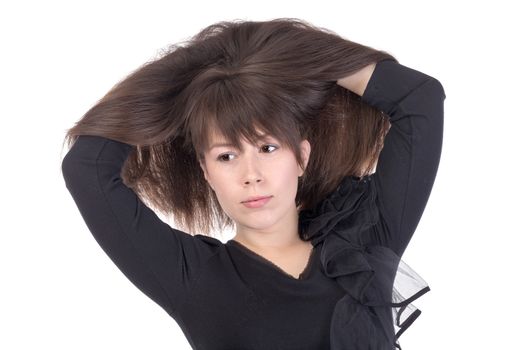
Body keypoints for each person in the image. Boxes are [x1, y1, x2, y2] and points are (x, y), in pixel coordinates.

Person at [61, 18, 445, 350]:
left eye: (267, 147)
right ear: (205, 170)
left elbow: (418, 99)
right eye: (226, 156)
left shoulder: (361, 246)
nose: (251, 174)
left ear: (302, 156)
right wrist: (200, 60)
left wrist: (284, 49)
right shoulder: (193, 277)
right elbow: (86, 166)